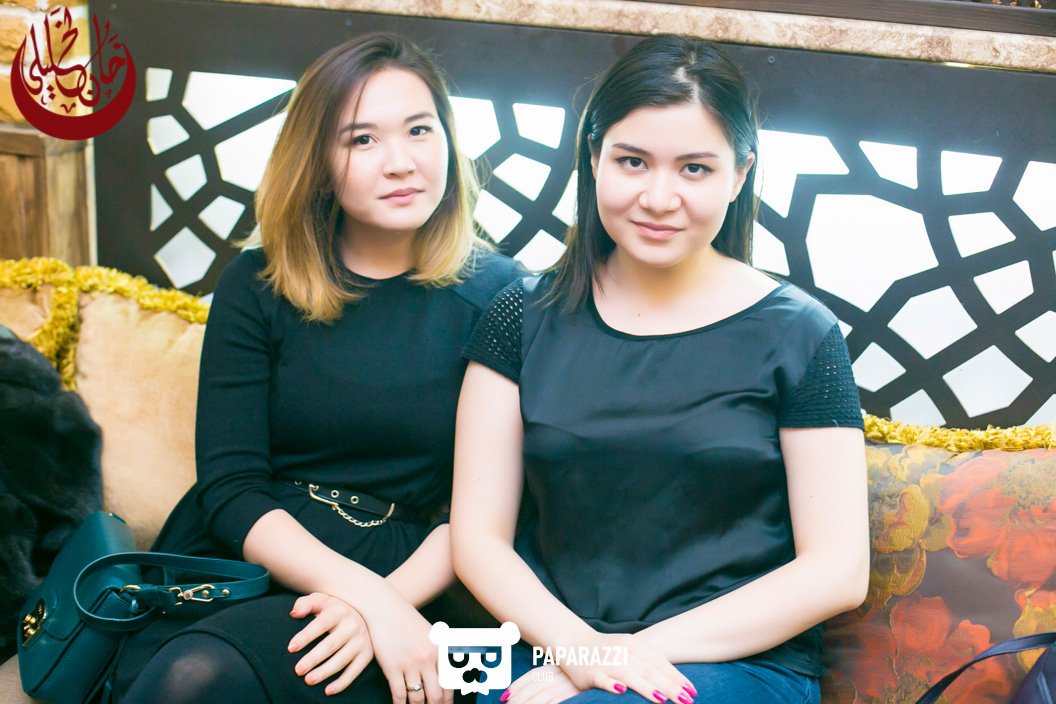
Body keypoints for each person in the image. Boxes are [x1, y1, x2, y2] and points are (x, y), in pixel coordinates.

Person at [452, 35, 868, 704]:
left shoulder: (801, 334)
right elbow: (478, 539)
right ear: (594, 159)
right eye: (632, 161)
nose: (658, 196)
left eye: (695, 169)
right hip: (544, 642)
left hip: (732, 661)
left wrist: (618, 657)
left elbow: (838, 572)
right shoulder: (520, 315)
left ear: (740, 174)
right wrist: (580, 651)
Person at [111, 32, 520, 704]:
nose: (401, 163)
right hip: (265, 554)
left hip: (423, 571)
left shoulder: (501, 294)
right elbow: (232, 486)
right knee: (192, 677)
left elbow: (490, 509)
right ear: (319, 163)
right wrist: (365, 599)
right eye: (362, 140)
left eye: (420, 130)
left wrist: (387, 605)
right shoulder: (257, 284)